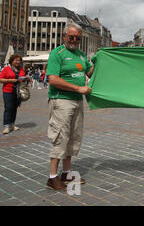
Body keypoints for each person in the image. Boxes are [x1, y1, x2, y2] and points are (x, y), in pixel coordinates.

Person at [46, 24, 94, 191]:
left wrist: (101, 60)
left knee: (73, 137)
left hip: (77, 102)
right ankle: (52, 177)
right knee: (60, 136)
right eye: (71, 37)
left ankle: (66, 173)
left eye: (77, 38)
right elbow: (52, 79)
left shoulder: (81, 55)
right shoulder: (57, 53)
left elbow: (90, 73)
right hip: (61, 100)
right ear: (64, 36)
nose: (74, 40)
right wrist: (78, 88)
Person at [0, 54, 26, 134]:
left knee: (14, 108)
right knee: (8, 108)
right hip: (8, 91)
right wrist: (11, 80)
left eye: (19, 60)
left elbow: (23, 77)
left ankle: (12, 124)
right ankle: (6, 126)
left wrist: (25, 79)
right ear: (12, 61)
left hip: (18, 91)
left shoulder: (21, 69)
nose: (18, 62)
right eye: (16, 60)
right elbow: (1, 79)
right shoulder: (6, 69)